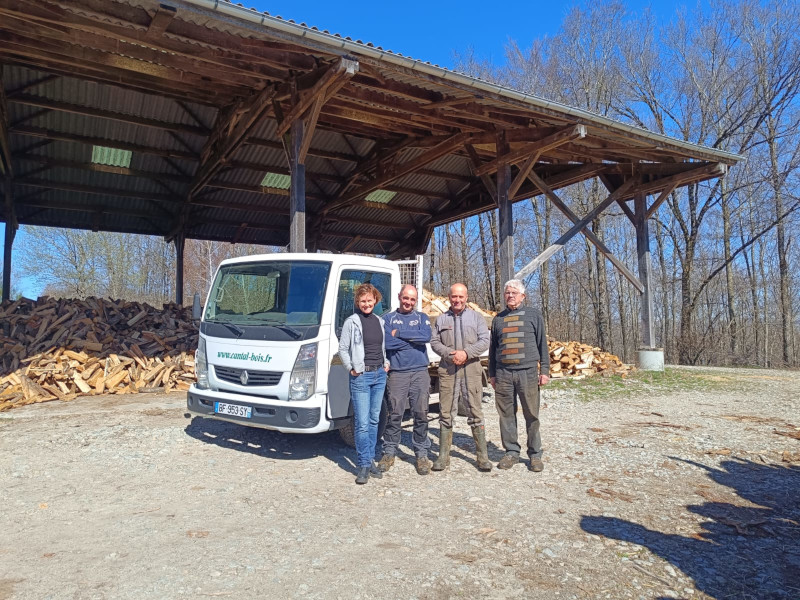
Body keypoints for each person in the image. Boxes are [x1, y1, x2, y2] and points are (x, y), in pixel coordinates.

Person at [488, 279, 550, 472]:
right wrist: (492, 374)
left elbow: (542, 344)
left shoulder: (533, 315)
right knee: (506, 414)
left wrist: (545, 370)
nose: (510, 296)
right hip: (503, 373)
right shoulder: (498, 319)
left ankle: (535, 454)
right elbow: (493, 350)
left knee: (531, 414)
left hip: (527, 372)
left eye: (514, 292)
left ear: (523, 296)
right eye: (507, 292)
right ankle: (512, 452)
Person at [430, 283, 492, 472]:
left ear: (466, 297)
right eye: (454, 296)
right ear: (449, 297)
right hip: (448, 371)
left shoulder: (476, 318)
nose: (457, 300)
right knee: (446, 413)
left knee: (475, 412)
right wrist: (450, 354)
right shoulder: (441, 319)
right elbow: (434, 342)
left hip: (471, 371)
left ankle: (482, 457)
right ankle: (443, 456)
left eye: (461, 296)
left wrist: (466, 353)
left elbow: (485, 341)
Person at [376, 284, 433, 475]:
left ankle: (421, 453)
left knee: (421, 412)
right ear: (399, 296)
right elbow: (388, 343)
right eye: (405, 298)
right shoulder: (388, 319)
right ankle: (389, 451)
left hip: (419, 371)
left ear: (416, 301)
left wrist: (399, 334)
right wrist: (412, 341)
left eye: (412, 299)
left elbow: (425, 336)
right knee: (395, 413)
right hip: (397, 373)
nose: (408, 302)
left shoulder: (422, 318)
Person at [338, 283, 390, 485]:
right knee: (362, 423)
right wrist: (351, 367)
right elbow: (343, 349)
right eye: (362, 301)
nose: (366, 304)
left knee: (374, 420)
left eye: (369, 300)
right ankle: (363, 465)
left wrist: (386, 363)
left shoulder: (380, 321)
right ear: (357, 302)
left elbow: (382, 347)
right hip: (361, 376)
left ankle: (370, 460)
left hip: (379, 375)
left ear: (375, 300)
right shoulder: (352, 322)